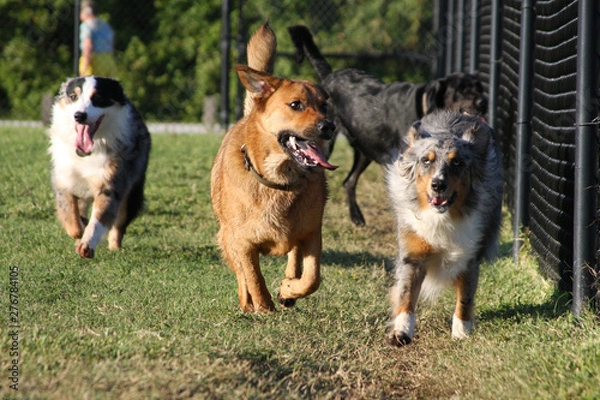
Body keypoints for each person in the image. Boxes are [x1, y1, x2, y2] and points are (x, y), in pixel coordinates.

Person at [79, 1, 116, 77]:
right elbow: (111, 44)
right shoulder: (105, 25)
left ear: (86, 11)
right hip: (108, 60)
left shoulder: (86, 25)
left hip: (94, 61)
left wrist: (84, 69)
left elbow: (88, 46)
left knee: (91, 86)